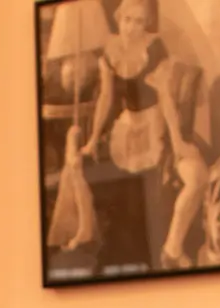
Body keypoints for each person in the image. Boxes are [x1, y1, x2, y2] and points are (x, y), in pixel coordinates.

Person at [84, 0, 209, 271]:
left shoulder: (155, 49)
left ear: (146, 24)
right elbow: (106, 98)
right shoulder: (110, 53)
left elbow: (165, 99)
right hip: (129, 125)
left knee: (157, 179)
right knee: (125, 190)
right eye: (128, 20)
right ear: (119, 19)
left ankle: (164, 250)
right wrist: (93, 138)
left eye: (139, 21)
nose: (132, 27)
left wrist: (176, 141)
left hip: (157, 121)